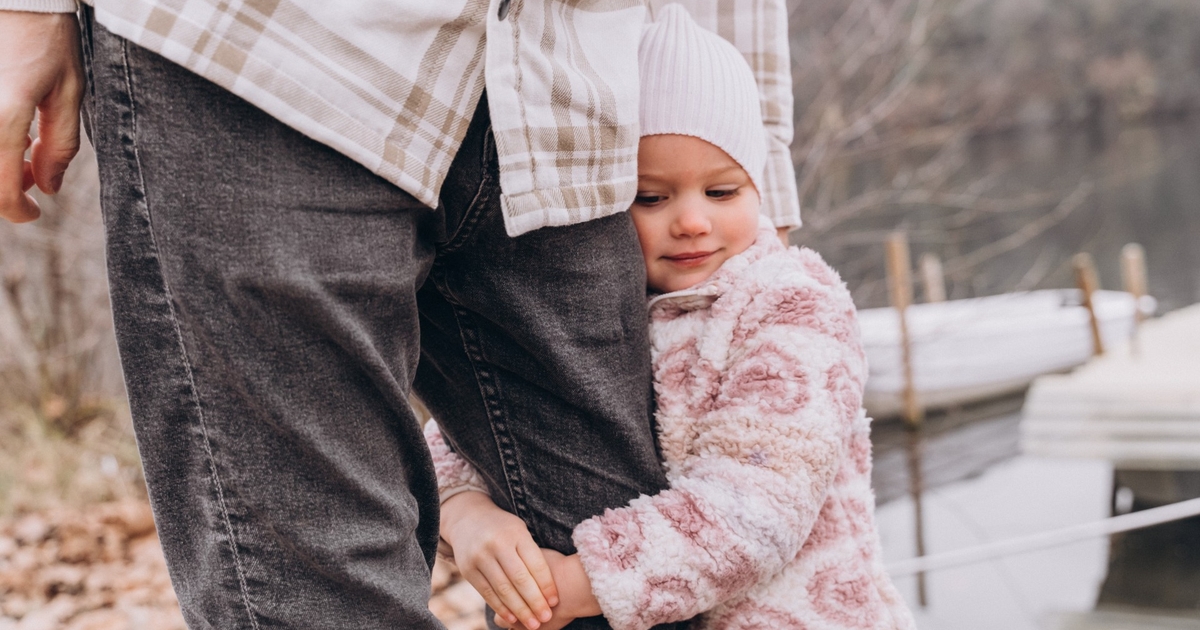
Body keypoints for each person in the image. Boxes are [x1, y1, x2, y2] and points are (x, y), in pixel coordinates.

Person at [0, 0, 800, 628]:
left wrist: (761, 166)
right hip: (266, 54)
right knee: (317, 589)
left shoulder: (773, 296)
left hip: (575, 87)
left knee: (622, 557)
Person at [425, 7, 917, 629]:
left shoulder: (794, 309)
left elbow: (754, 512)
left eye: (722, 191)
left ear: (757, 187)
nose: (691, 221)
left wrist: (579, 586)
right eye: (651, 197)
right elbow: (477, 414)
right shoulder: (603, 304)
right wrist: (464, 512)